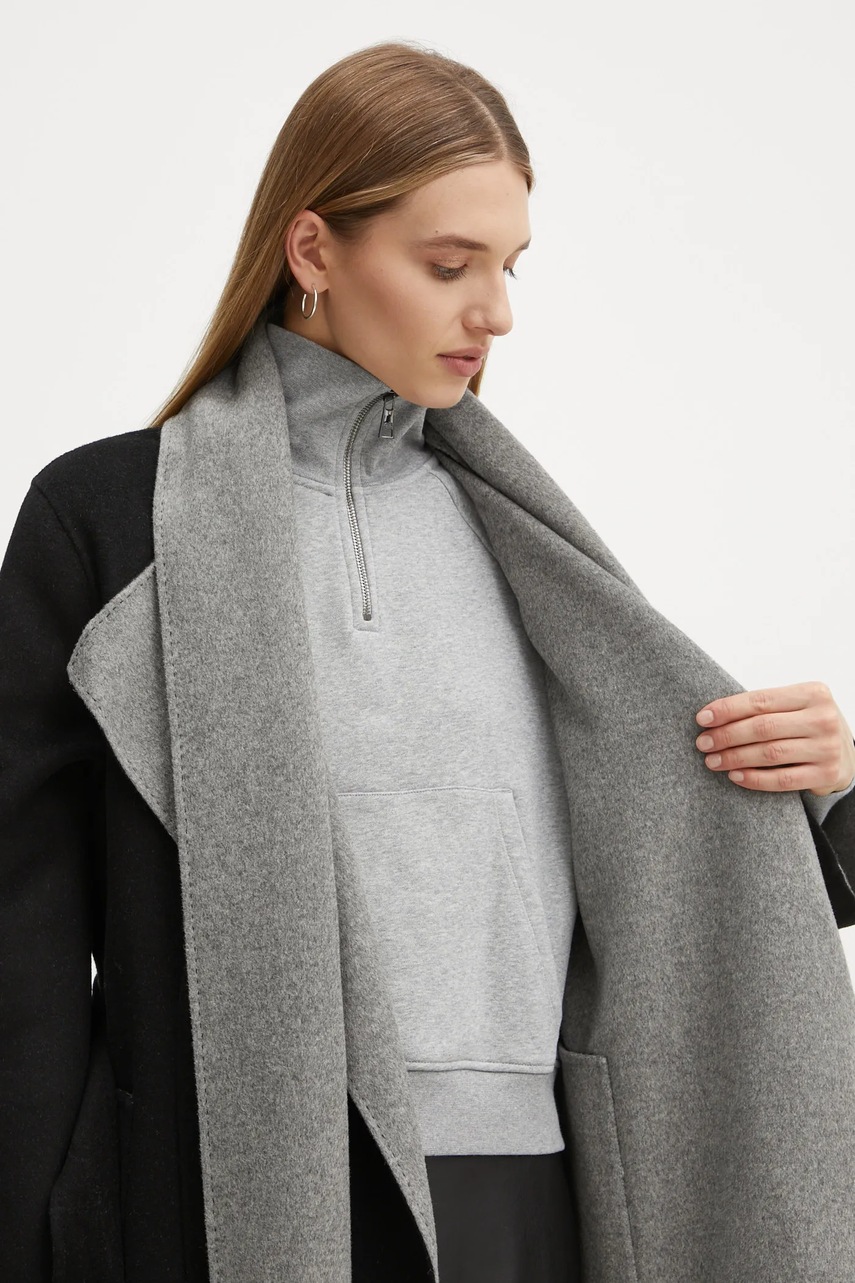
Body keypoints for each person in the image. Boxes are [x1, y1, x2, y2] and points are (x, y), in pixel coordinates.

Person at [2, 38, 855, 1283]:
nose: (495, 311)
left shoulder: (529, 547)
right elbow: (21, 934)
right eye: (450, 264)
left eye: (510, 266)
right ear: (312, 251)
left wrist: (818, 791)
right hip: (232, 1195)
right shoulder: (114, 528)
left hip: (537, 1190)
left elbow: (663, 877)